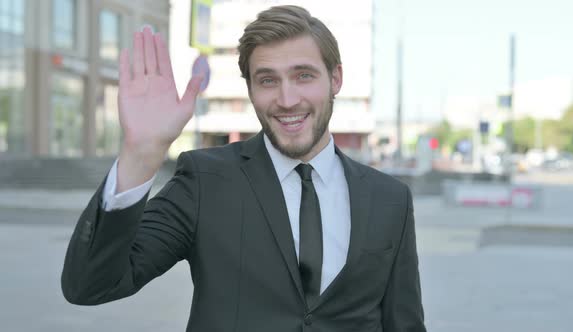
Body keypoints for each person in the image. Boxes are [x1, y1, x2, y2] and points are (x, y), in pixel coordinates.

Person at [61, 5, 426, 332]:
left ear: (335, 79)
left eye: (303, 76)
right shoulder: (204, 181)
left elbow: (403, 322)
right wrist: (141, 153)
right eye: (267, 80)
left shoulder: (389, 199)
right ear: (250, 88)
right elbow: (92, 285)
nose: (286, 100)